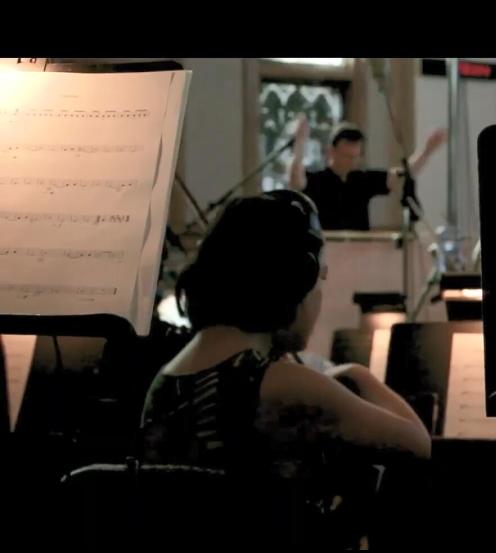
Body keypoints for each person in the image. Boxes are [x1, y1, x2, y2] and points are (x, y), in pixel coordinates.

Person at [140, 190, 431, 484]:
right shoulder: (282, 385)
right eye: (320, 277)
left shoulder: (167, 379)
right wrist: (358, 374)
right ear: (296, 280)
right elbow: (418, 444)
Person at [289, 116, 447, 230]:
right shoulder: (317, 180)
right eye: (347, 156)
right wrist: (299, 144)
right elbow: (296, 180)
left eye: (355, 157)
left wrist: (427, 151)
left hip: (360, 250)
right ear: (331, 152)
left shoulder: (362, 179)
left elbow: (403, 175)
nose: (352, 162)